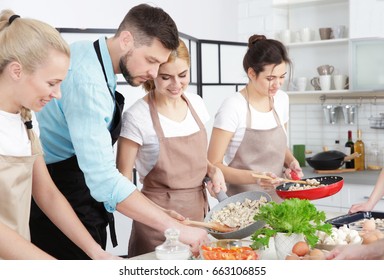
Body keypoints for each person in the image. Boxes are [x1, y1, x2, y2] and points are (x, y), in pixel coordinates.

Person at [30, 3, 209, 259]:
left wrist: (158, 213)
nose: (153, 74)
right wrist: (178, 229)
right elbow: (104, 181)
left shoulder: (88, 52)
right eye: (151, 61)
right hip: (65, 201)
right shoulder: (89, 85)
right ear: (126, 39)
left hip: (79, 193)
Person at [0, 9, 119, 260]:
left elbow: (48, 194)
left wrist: (96, 252)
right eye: (51, 83)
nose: (58, 95)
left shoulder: (28, 120)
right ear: (16, 71)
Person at [116, 38, 226, 257]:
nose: (176, 84)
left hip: (199, 219)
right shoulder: (137, 117)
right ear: (153, 72)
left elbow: (194, 160)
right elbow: (121, 181)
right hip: (157, 226)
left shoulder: (196, 103)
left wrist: (212, 170)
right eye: (166, 77)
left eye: (183, 75)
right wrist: (159, 217)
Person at [207, 34, 303, 202]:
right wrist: (256, 177)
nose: (278, 84)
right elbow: (213, 164)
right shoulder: (233, 106)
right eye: (270, 78)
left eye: (282, 77)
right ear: (251, 73)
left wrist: (291, 161)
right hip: (243, 204)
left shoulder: (282, 100)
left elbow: (280, 148)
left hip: (280, 200)